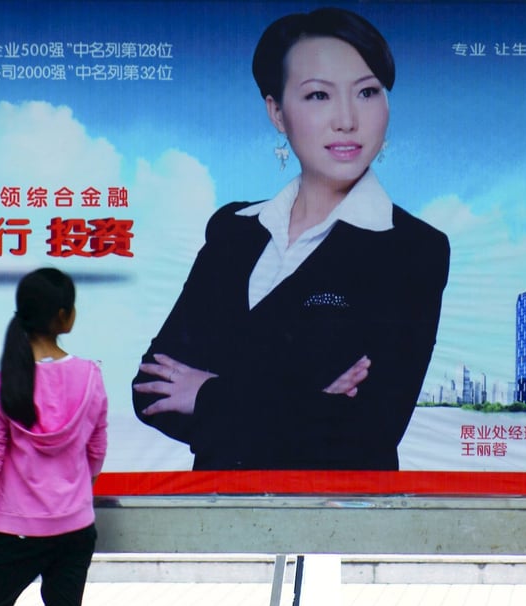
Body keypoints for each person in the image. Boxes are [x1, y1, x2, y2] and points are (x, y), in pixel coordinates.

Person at [131, 7, 450, 470]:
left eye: (367, 92)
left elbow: (368, 429)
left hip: (341, 518)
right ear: (277, 112)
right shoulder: (234, 230)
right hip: (224, 514)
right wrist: (310, 401)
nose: (347, 120)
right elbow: (152, 391)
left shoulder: (413, 249)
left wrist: (208, 392)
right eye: (318, 95)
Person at [0, 267, 108, 606]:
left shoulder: (2, 383)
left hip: (14, 532)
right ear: (63, 317)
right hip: (74, 529)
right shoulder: (91, 377)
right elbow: (96, 453)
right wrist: (71, 494)